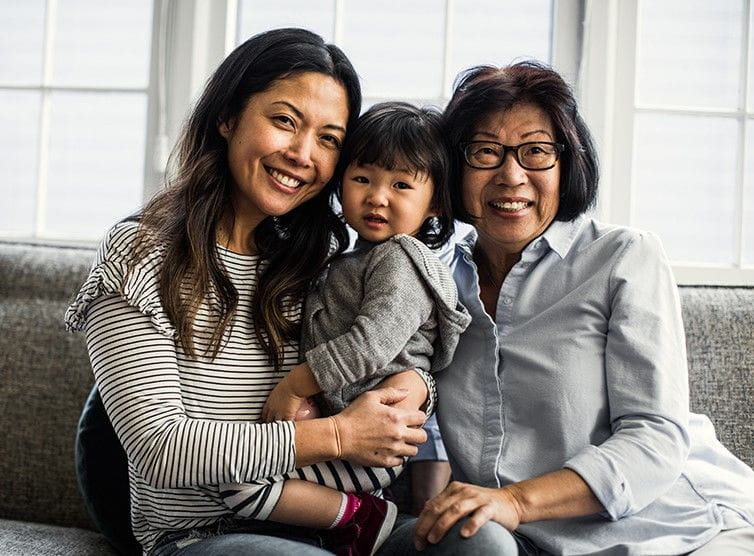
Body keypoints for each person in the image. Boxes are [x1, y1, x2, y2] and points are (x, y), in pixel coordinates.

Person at [64, 29, 431, 555]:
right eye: (284, 121)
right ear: (228, 117)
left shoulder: (320, 261)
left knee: (478, 542)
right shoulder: (140, 253)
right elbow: (159, 448)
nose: (303, 154)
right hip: (202, 536)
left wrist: (414, 389)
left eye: (328, 138)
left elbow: (392, 348)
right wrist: (338, 437)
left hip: (335, 519)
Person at [381, 61, 754, 555]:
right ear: (453, 167)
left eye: (536, 151)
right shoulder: (431, 283)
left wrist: (515, 500)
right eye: (485, 152)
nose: (511, 176)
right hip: (522, 541)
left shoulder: (622, 257)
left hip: (679, 528)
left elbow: (655, 437)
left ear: (566, 164)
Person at [217, 101, 470, 556]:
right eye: (362, 179)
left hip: (373, 442)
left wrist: (297, 386)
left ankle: (367, 520)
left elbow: (372, 344)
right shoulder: (349, 260)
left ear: (435, 203)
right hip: (340, 429)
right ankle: (341, 523)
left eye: (400, 185)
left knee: (239, 484)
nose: (377, 196)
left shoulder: (402, 259)